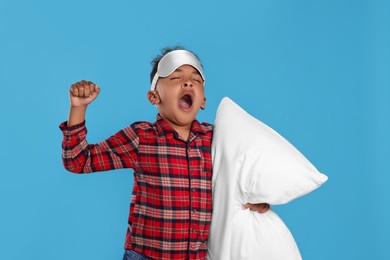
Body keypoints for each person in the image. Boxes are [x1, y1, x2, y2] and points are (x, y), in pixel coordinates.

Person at [59, 47, 269, 260]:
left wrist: (255, 199)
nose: (188, 83)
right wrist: (78, 108)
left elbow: (236, 179)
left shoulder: (216, 139)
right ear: (153, 96)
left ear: (203, 100)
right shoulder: (141, 137)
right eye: (176, 78)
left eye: (195, 80)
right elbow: (78, 161)